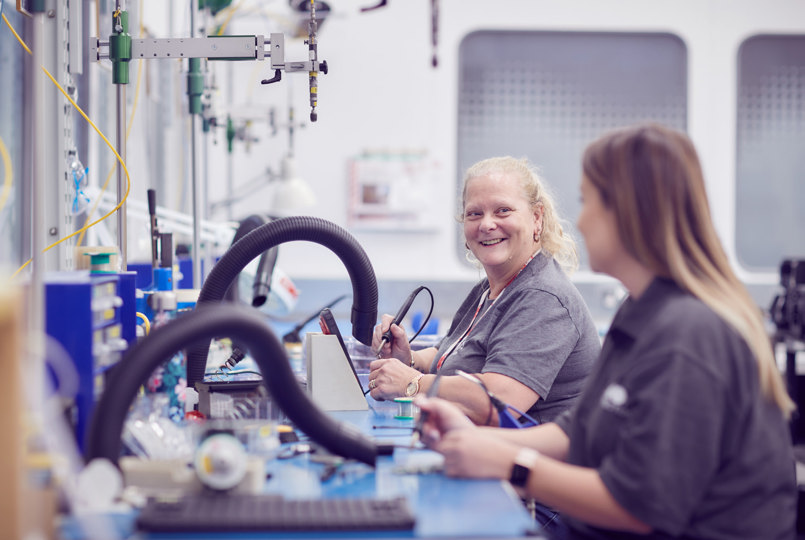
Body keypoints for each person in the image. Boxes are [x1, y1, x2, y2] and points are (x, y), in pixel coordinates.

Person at [415, 123, 798, 540]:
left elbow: (641, 507)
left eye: (588, 201)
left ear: (631, 212)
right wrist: (476, 440)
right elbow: (578, 430)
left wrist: (510, 465)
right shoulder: (642, 310)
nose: (579, 219)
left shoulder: (689, 335)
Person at [368, 156, 601, 428]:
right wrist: (408, 358)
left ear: (537, 218)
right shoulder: (492, 289)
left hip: (531, 461)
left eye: (503, 211)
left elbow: (500, 401)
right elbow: (455, 356)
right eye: (474, 213)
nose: (486, 224)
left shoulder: (544, 297)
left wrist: (411, 382)